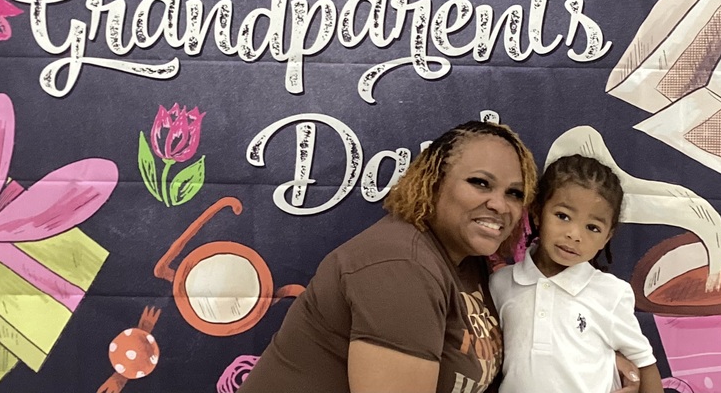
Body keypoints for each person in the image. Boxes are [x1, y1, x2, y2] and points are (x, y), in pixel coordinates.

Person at [239, 121, 643, 393]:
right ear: (433, 181)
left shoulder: (470, 263)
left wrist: (594, 364)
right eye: (480, 183)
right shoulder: (400, 266)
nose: (499, 204)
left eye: (514, 193)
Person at [490, 154, 664, 393]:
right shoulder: (500, 284)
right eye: (563, 216)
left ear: (607, 237)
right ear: (538, 213)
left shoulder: (611, 293)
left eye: (593, 227)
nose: (574, 235)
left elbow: (643, 363)